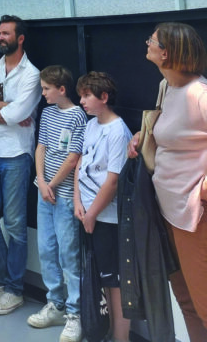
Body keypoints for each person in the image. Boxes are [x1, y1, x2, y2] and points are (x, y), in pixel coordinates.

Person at [128, 23, 207, 342]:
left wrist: (202, 189)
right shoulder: (166, 87)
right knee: (187, 300)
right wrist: (142, 136)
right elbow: (168, 132)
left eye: (153, 40)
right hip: (164, 210)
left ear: (167, 52)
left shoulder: (199, 94)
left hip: (194, 217)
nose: (147, 43)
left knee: (204, 302)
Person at [0, 14, 41, 315]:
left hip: (16, 155)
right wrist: (4, 108)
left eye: (5, 33)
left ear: (20, 38)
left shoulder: (32, 74)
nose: (0, 37)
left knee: (14, 224)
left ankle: (14, 289)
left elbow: (18, 116)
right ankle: (2, 281)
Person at [28, 66, 87, 342]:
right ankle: (55, 304)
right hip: (44, 194)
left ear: (61, 89)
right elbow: (41, 146)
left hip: (62, 196)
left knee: (68, 255)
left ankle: (75, 313)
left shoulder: (78, 116)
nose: (42, 93)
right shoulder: (47, 112)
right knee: (46, 250)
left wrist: (52, 184)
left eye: (46, 89)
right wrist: (41, 180)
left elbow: (73, 157)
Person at [74, 71, 131, 342]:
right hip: (87, 213)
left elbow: (113, 181)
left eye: (87, 95)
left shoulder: (118, 131)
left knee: (114, 282)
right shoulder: (91, 125)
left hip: (106, 217)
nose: (82, 101)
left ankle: (121, 337)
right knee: (99, 278)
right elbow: (80, 166)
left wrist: (93, 213)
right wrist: (77, 201)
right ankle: (104, 330)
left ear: (104, 97)